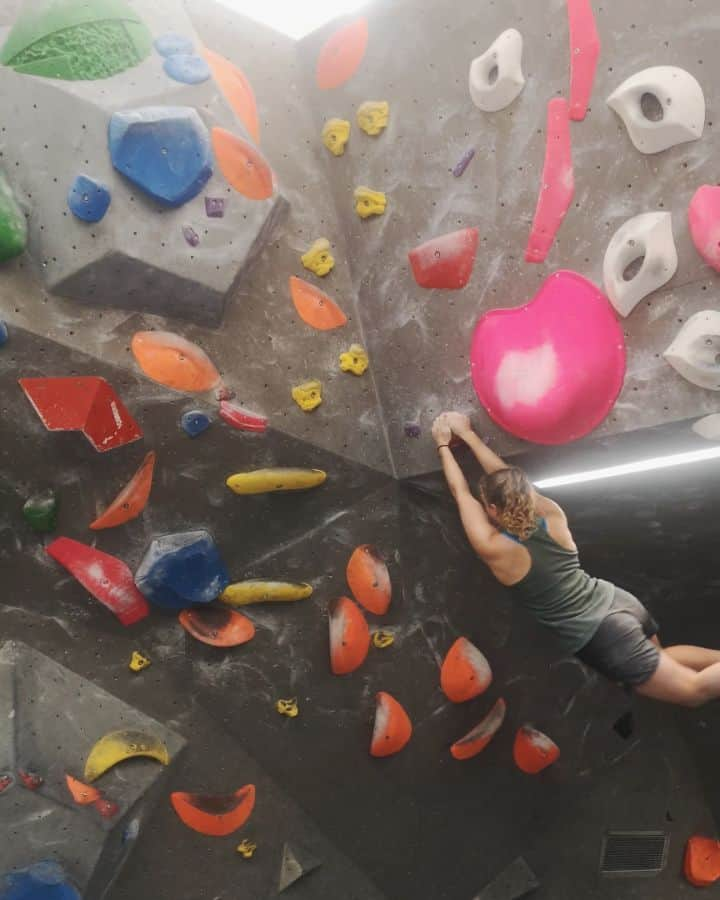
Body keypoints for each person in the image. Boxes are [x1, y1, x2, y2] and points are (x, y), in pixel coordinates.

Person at [432, 411, 720, 708]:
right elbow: (506, 477)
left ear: (491, 509)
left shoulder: (494, 547)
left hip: (601, 633)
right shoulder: (550, 514)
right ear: (524, 494)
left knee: (692, 691)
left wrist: (443, 445)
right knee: (662, 658)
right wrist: (467, 434)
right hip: (617, 601)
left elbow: (461, 493)